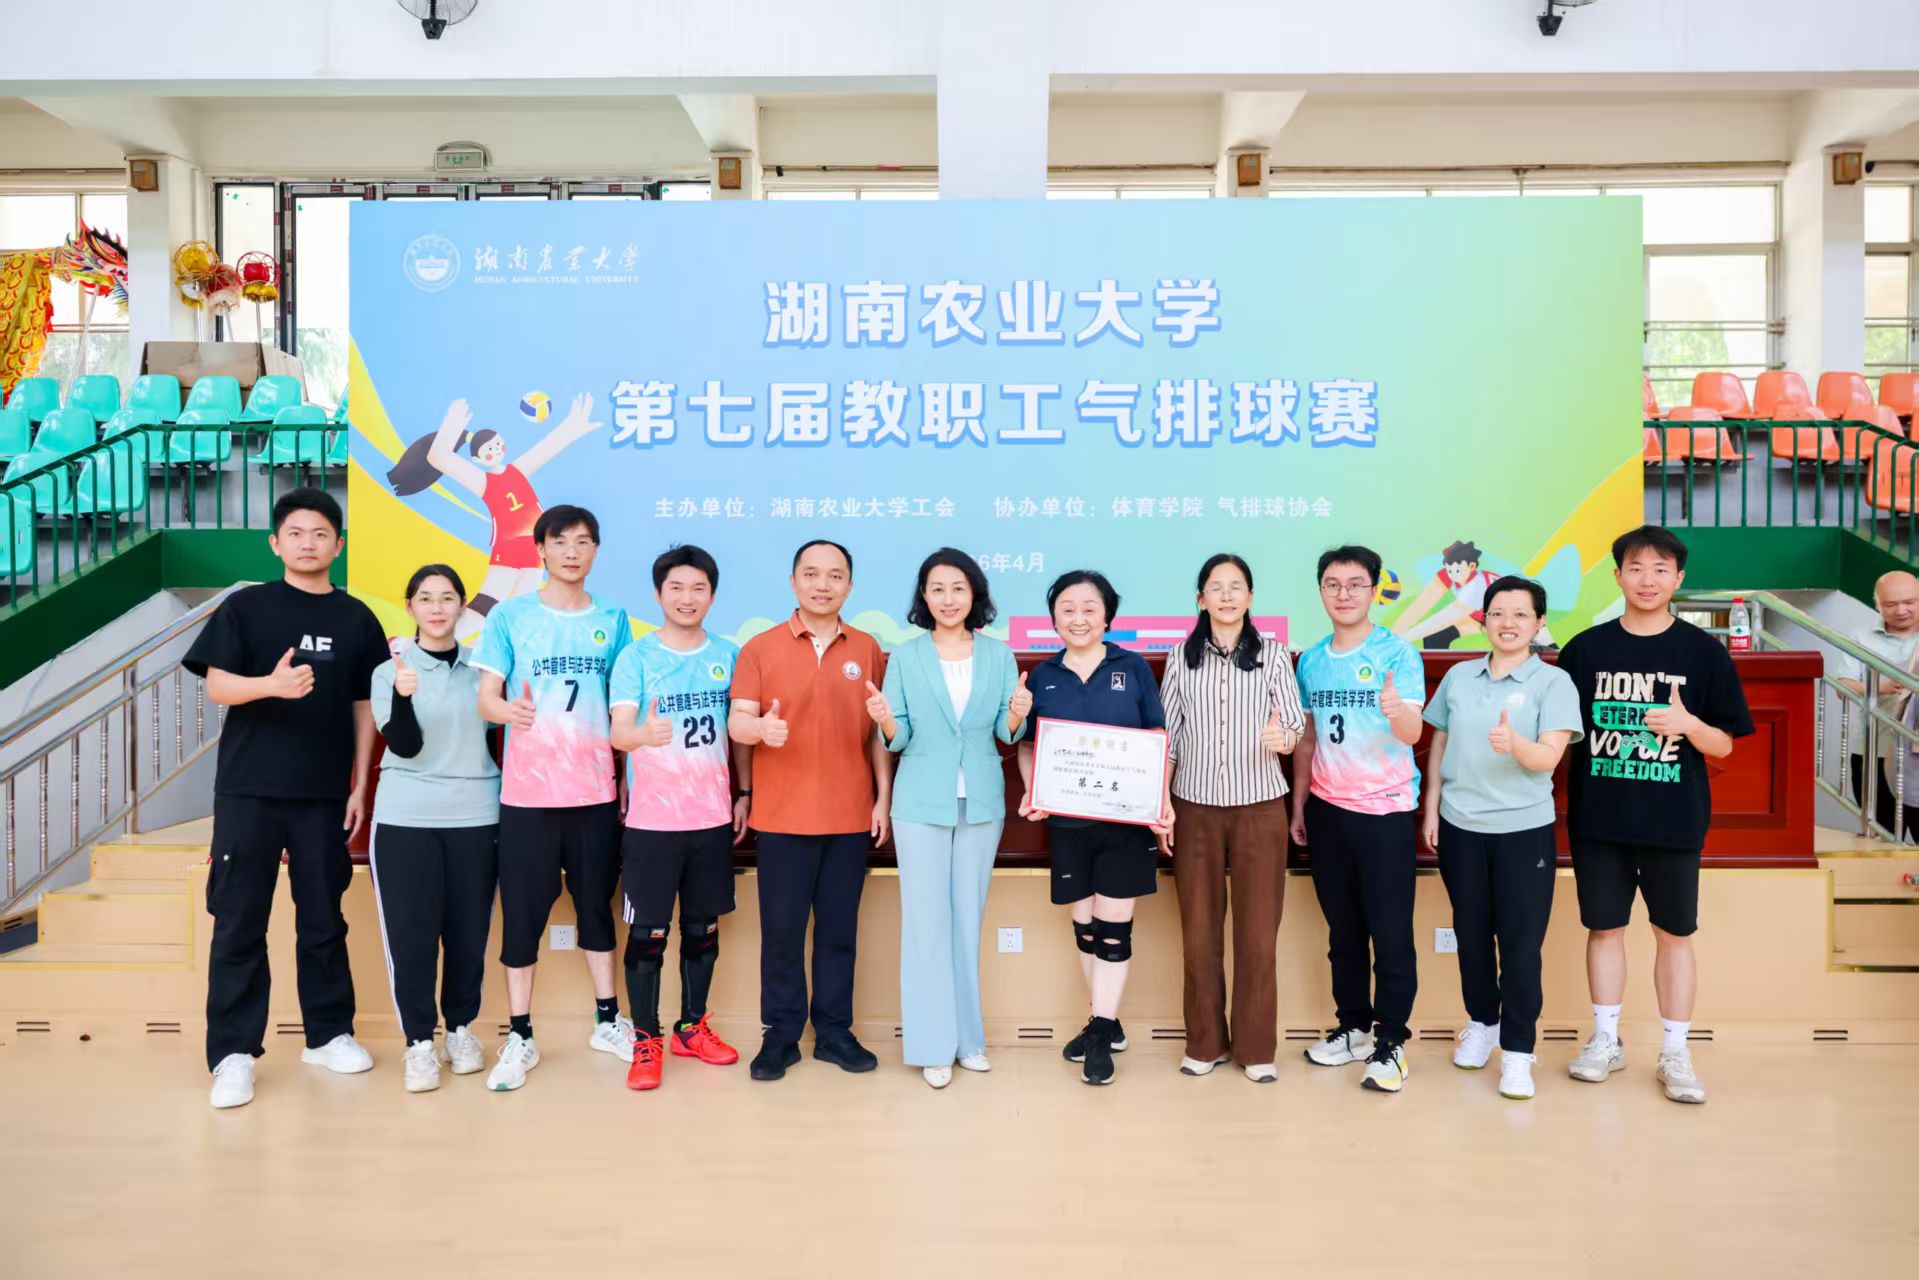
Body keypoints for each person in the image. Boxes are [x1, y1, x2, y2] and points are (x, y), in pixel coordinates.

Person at [185, 487, 388, 1110]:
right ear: (276, 543)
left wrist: (359, 783)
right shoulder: (246, 608)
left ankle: (328, 1035)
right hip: (248, 789)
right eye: (296, 533)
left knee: (324, 917)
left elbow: (364, 705)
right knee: (239, 919)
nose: (308, 543)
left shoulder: (356, 618)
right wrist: (270, 685)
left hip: (322, 794)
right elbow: (218, 686)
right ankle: (233, 1054)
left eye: (320, 533)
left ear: (338, 545)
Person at [1558, 525, 1752, 1105]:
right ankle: (1606, 1040)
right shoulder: (1584, 650)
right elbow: (1558, 734)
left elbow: (1725, 745)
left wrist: (1689, 725)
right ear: (1618, 575)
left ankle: (1675, 1050)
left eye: (1661, 569)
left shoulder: (1703, 653)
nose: (1648, 580)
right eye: (1637, 568)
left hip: (1673, 820)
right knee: (1604, 929)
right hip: (1599, 820)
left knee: (1674, 935)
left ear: (1678, 579)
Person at [473, 504, 633, 1092]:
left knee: (596, 907)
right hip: (528, 797)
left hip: (594, 792)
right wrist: (507, 710)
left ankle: (608, 1021)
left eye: (583, 541)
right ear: (540, 549)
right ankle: (520, 1035)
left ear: (596, 551)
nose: (571, 551)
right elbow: (486, 697)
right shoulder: (510, 616)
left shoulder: (614, 620)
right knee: (523, 915)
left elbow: (624, 704)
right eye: (560, 541)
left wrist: (625, 780)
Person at [728, 539, 893, 1082]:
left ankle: (834, 1033)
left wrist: (883, 798)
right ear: (793, 581)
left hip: (849, 816)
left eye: (835, 575)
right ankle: (779, 1036)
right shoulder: (760, 648)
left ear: (850, 585)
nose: (823, 584)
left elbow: (877, 733)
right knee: (782, 933)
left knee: (839, 933)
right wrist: (760, 729)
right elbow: (737, 723)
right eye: (812, 573)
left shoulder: (867, 647)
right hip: (781, 817)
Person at [868, 548, 1030, 1089]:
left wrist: (1016, 715)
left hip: (980, 802)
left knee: (967, 921)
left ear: (974, 594)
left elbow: (1005, 734)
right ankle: (933, 1046)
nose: (948, 598)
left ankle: (969, 1041)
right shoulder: (906, 657)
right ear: (924, 596)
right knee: (926, 925)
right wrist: (886, 721)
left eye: (958, 588)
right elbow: (900, 738)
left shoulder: (999, 655)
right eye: (937, 589)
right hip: (920, 803)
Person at [1419, 575, 1581, 1102]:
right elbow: (1439, 742)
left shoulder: (1553, 682)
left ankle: (1517, 1050)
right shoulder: (1459, 677)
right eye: (1497, 614)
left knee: (1519, 945)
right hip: (1461, 826)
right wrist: (1432, 807)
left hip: (1523, 831)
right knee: (1470, 935)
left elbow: (1549, 758)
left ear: (1539, 623)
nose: (1507, 624)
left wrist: (1516, 744)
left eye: (1520, 614)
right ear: (1482, 620)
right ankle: (1482, 1023)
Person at [1016, 570, 1173, 1086]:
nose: (1078, 618)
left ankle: (1100, 1034)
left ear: (1108, 617)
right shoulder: (1042, 676)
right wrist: (1033, 791)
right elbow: (1028, 745)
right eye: (1067, 609)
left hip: (1125, 823)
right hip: (1067, 824)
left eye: (1089, 608)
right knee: (1084, 927)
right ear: (1053, 618)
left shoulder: (1133, 667)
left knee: (1113, 930)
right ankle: (1105, 1020)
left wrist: (1161, 800)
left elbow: (1155, 736)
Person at [607, 544, 751, 1091]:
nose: (687, 598)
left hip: (710, 818)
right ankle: (646, 1039)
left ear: (712, 596)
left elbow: (739, 733)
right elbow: (619, 732)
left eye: (698, 588)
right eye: (676, 588)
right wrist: (641, 735)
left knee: (703, 929)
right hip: (652, 823)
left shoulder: (730, 655)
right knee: (648, 933)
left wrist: (744, 791)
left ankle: (692, 1027)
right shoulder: (636, 658)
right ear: (658, 594)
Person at [1159, 553, 1304, 1084]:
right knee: (1198, 934)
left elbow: (1293, 727)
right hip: (1194, 805)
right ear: (1200, 599)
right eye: (1215, 587)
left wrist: (1281, 738)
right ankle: (1205, 1043)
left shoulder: (1274, 656)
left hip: (1260, 807)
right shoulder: (1180, 658)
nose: (1225, 595)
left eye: (1235, 586)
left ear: (1250, 597)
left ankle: (1256, 1047)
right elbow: (1168, 736)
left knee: (1258, 934)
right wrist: (1162, 803)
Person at [1291, 545, 1426, 1094]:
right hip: (1327, 811)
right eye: (1332, 584)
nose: (1343, 593)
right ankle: (1353, 1027)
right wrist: (1299, 805)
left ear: (1374, 590)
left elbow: (1413, 734)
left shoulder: (1398, 653)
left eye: (1354, 584)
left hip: (1385, 812)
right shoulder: (1310, 660)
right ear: (1321, 591)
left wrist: (1397, 713)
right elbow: (1306, 739)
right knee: (1343, 932)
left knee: (1390, 933)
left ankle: (1391, 1042)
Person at [367, 564, 501, 1094]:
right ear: (410, 607)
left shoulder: (484, 670)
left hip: (477, 815)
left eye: (448, 598)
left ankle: (461, 1031)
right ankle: (419, 1042)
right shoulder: (390, 671)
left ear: (463, 607)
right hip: (407, 818)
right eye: (426, 598)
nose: (438, 607)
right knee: (412, 936)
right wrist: (403, 694)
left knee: (469, 935)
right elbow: (405, 745)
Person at [386, 394, 604, 635]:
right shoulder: (484, 481)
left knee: (522, 613)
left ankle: (483, 651)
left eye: (497, 445)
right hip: (509, 549)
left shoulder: (516, 471)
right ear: (477, 459)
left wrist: (572, 427)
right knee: (485, 606)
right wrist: (450, 426)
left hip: (535, 551)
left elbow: (546, 449)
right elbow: (438, 457)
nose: (495, 450)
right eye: (488, 449)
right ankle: (431, 644)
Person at [1835, 570, 1919, 840]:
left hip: (1916, 756)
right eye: (1891, 604)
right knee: (1882, 838)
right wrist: (1880, 686)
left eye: (1909, 602)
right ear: (1877, 605)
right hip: (1873, 751)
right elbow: (1842, 687)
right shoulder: (1861, 637)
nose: (1901, 611)